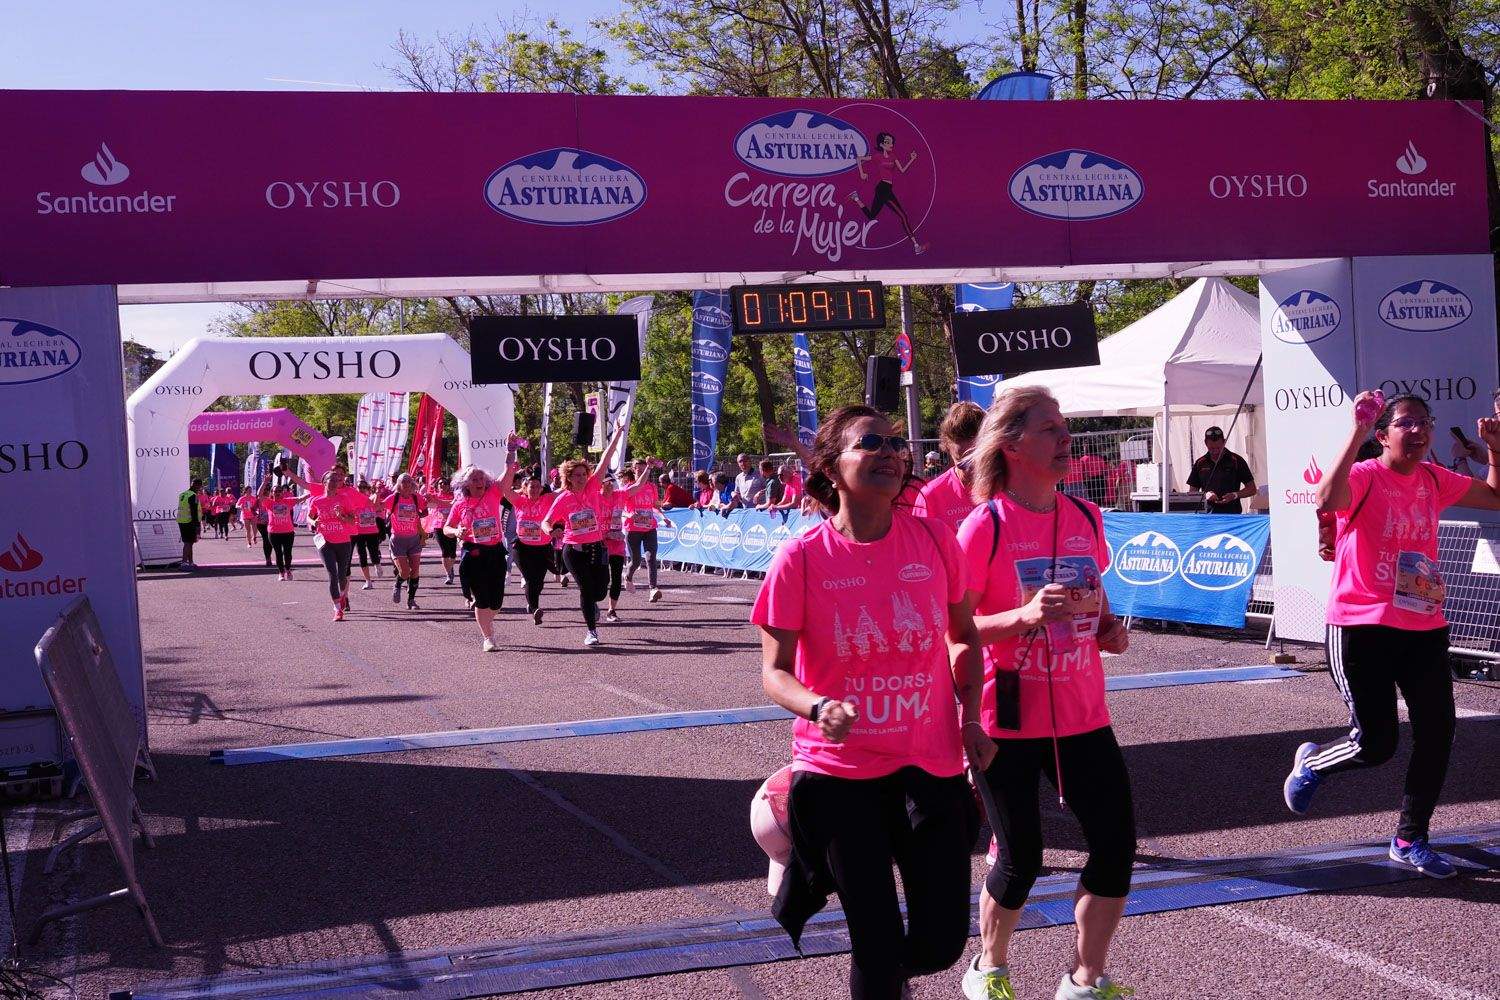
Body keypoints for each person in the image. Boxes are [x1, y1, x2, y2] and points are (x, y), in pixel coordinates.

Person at [752, 405, 988, 1000]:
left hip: (929, 764)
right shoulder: (800, 558)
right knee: (877, 943)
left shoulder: (934, 537)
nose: (888, 452)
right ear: (832, 469)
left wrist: (971, 719)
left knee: (942, 941)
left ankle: (884, 974)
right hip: (841, 776)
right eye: (870, 443)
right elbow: (775, 673)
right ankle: (879, 976)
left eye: (894, 443)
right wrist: (816, 706)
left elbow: (963, 634)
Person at [955, 385, 1135, 1000]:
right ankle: (988, 967)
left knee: (1116, 844)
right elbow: (953, 629)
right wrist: (1024, 617)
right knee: (1022, 857)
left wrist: (1108, 629)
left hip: (1084, 713)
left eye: (1064, 429)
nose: (1066, 441)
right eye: (1050, 431)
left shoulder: (1085, 516)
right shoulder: (984, 527)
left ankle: (1085, 980)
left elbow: (1094, 594)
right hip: (1005, 716)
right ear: (1010, 445)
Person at [1283, 393, 1500, 878]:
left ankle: (1409, 838)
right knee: (1376, 744)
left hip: (1422, 624)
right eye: (1407, 423)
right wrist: (1356, 429)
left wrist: (1495, 449)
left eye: (1426, 422)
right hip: (1360, 625)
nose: (1420, 431)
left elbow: (1494, 498)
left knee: (1438, 732)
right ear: (1384, 435)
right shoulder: (1365, 475)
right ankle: (1314, 765)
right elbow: (1327, 499)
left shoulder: (1432, 478)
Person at [544, 416, 629, 646]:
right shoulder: (563, 498)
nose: (581, 478)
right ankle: (591, 631)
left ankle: (593, 604)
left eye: (584, 474)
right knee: (585, 588)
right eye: (577, 475)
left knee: (600, 591)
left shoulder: (593, 486)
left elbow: (605, 459)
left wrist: (618, 434)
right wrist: (551, 531)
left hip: (597, 547)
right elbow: (547, 521)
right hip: (573, 550)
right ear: (569, 478)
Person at [445, 441, 522, 652]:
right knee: (482, 598)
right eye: (474, 479)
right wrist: (456, 532)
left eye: (481, 478)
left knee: (496, 601)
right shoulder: (460, 504)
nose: (479, 481)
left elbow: (508, 472)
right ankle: (487, 637)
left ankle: (488, 618)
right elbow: (446, 528)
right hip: (474, 552)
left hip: (495, 551)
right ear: (466, 484)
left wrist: (511, 450)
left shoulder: (494, 493)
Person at [848, 131, 927, 255]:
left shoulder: (893, 156)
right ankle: (916, 246)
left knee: (871, 216)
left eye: (891, 142)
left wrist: (911, 159)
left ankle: (856, 198)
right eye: (887, 142)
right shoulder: (877, 156)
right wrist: (862, 173)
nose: (890, 144)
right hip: (883, 189)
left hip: (886, 188)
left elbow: (902, 170)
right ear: (881, 144)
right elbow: (859, 158)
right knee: (903, 216)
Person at [913, 401, 985, 532]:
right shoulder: (931, 496)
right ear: (947, 448)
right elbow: (920, 549)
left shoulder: (1007, 487)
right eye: (961, 462)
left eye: (978, 458)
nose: (971, 468)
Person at [500, 472, 556, 624]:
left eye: (538, 486)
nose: (535, 489)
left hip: (543, 547)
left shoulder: (547, 499)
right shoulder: (519, 500)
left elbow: (564, 491)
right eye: (532, 486)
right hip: (522, 547)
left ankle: (532, 602)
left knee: (539, 581)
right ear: (525, 488)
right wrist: (509, 470)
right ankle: (535, 608)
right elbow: (504, 489)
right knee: (530, 578)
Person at [307, 469, 359, 621]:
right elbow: (309, 518)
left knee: (342, 576)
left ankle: (343, 595)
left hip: (343, 541)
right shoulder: (316, 501)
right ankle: (337, 609)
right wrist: (313, 522)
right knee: (332, 574)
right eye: (332, 479)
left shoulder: (344, 499)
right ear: (325, 482)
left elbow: (352, 520)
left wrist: (341, 516)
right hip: (325, 541)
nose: (336, 482)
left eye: (338, 480)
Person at [1186, 425, 1256, 513]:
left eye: (1218, 448)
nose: (1215, 451)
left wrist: (1235, 495)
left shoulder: (1236, 460)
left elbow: (1252, 489)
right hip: (1207, 515)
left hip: (1232, 515)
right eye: (1211, 448)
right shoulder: (1200, 463)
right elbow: (1192, 492)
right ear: (1205, 443)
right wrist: (1206, 495)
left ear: (1224, 442)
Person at [385, 474, 429, 610]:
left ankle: (411, 600)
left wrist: (417, 514)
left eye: (409, 482)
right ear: (399, 484)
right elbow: (378, 507)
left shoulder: (416, 498)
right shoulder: (394, 498)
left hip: (414, 538)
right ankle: (398, 585)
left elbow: (425, 511)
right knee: (405, 572)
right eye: (404, 482)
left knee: (415, 571)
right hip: (398, 539)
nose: (407, 484)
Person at [622, 463, 664, 602]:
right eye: (638, 470)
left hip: (649, 527)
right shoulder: (628, 488)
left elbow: (655, 506)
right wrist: (629, 515)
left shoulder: (652, 487)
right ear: (633, 471)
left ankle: (653, 589)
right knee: (635, 561)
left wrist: (664, 516)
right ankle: (627, 576)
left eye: (643, 469)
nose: (640, 472)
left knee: (651, 558)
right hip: (633, 529)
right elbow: (620, 508)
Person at [600, 477, 629, 623]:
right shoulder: (595, 498)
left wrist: (648, 469)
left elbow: (636, 487)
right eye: (608, 483)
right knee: (602, 580)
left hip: (617, 544)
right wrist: (605, 534)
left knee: (616, 578)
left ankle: (611, 610)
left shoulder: (619, 495)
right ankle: (592, 604)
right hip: (600, 545)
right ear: (601, 485)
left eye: (613, 483)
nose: (611, 485)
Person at [261, 483, 302, 580]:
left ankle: (287, 569)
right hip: (274, 533)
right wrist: (264, 482)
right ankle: (281, 573)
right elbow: (259, 495)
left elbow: (301, 498)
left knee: (287, 553)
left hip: (288, 532)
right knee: (278, 553)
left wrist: (313, 490)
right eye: (275, 491)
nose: (277, 493)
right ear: (272, 493)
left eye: (279, 491)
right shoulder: (269, 502)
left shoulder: (288, 501)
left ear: (282, 493)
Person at [424, 476, 459, 586]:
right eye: (440, 484)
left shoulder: (454, 496)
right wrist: (425, 497)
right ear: (437, 486)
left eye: (445, 483)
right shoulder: (434, 496)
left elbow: (450, 504)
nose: (442, 485)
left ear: (449, 485)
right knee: (445, 551)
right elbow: (425, 504)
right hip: (438, 527)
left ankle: (451, 568)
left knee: (452, 553)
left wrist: (438, 501)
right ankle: (448, 574)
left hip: (451, 527)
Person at [350, 484, 383, 589]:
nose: (361, 492)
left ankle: (377, 565)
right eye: (359, 490)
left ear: (368, 491)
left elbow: (377, 504)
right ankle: (368, 581)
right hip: (358, 532)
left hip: (372, 531)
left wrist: (377, 492)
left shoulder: (371, 500)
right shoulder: (354, 502)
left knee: (374, 552)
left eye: (364, 489)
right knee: (362, 556)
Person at [176, 478, 202, 569]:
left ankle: (191, 562)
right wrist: (197, 525)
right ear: (198, 485)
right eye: (199, 486)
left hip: (181, 520)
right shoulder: (193, 495)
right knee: (188, 542)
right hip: (189, 521)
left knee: (189, 542)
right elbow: (194, 511)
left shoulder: (182, 494)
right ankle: (184, 563)